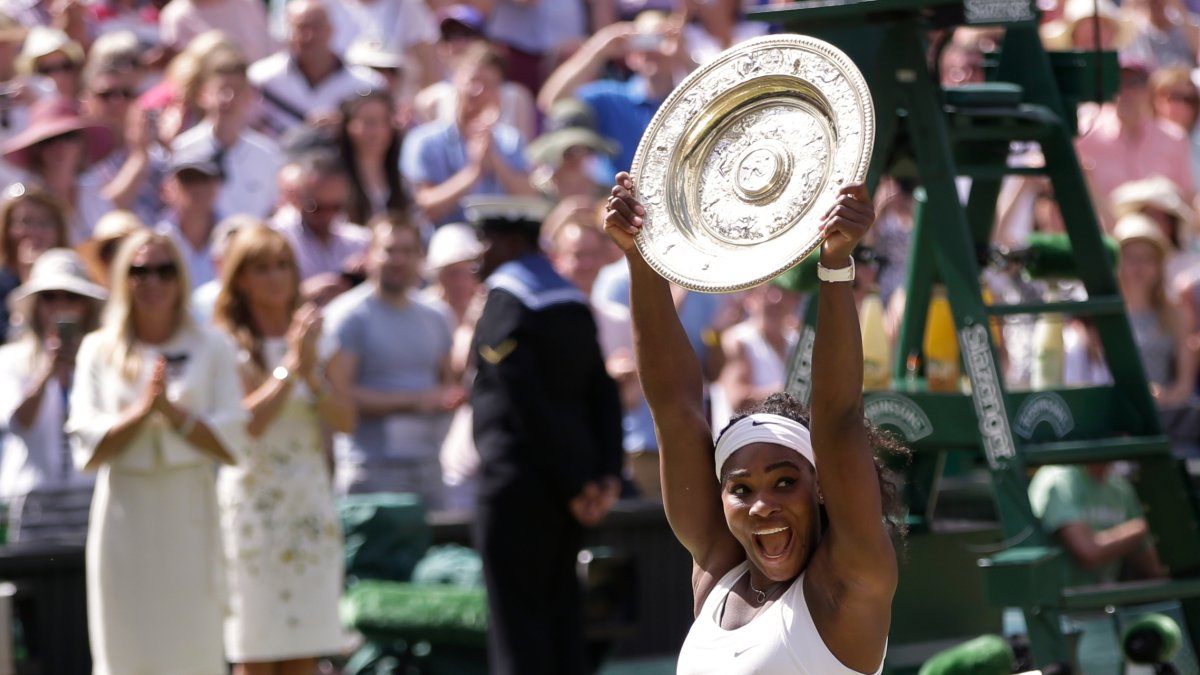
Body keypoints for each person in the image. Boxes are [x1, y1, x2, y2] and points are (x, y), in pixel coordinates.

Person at [604, 173, 903, 672]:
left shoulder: (848, 581)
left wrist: (834, 266)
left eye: (785, 482)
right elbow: (675, 411)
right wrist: (640, 256)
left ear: (821, 486)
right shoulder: (717, 572)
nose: (763, 505)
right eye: (741, 490)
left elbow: (838, 419)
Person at [66, 229, 244, 675]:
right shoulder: (97, 349)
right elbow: (87, 442)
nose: (153, 282)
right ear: (123, 278)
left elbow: (232, 441)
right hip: (125, 511)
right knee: (126, 647)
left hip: (190, 509)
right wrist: (145, 410)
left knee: (194, 643)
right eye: (140, 271)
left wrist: (174, 413)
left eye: (165, 271)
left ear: (181, 278)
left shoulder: (213, 344)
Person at [469, 195, 623, 675]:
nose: (480, 253)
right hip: (571, 492)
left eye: (487, 242)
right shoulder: (571, 302)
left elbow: (523, 404)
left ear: (509, 242)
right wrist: (602, 476)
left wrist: (577, 482)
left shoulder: (507, 301)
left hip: (523, 490)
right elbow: (602, 392)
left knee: (518, 626)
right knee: (562, 618)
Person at [213, 224, 354, 675]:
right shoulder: (224, 344)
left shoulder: (318, 337)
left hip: (308, 502)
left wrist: (312, 372)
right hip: (252, 507)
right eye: (261, 268)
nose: (275, 277)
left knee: (304, 648)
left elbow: (345, 420)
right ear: (240, 279)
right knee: (255, 649)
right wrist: (292, 366)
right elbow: (248, 424)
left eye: (283, 266)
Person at [324, 212, 462, 506]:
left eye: (408, 251)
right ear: (369, 256)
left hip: (429, 465)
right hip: (371, 468)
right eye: (389, 250)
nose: (398, 260)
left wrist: (449, 397)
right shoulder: (348, 316)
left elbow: (446, 383)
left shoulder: (437, 316)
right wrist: (411, 402)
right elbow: (338, 394)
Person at [0, 248, 106, 542]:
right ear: (35, 306)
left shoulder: (101, 360)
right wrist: (46, 370)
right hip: (32, 501)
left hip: (91, 497)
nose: (60, 306)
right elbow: (19, 423)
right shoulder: (9, 360)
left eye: (71, 297)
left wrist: (79, 369)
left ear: (85, 307)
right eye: (49, 297)